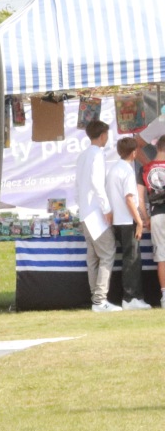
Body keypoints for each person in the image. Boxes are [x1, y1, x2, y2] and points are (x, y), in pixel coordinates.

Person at [74, 119, 117, 312]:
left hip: (85, 212)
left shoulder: (83, 155)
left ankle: (96, 299)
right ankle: (100, 300)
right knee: (107, 253)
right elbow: (97, 183)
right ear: (102, 135)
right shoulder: (97, 154)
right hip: (95, 213)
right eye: (106, 134)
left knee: (93, 258)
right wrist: (107, 208)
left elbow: (78, 186)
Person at [110, 136, 150, 309]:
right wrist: (140, 221)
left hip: (118, 220)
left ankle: (131, 297)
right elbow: (129, 200)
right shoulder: (126, 171)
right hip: (127, 220)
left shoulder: (113, 169)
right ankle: (131, 298)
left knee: (129, 258)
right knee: (132, 260)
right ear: (134, 152)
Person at [144, 144, 165, 296]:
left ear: (157, 147)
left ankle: (164, 296)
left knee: (162, 257)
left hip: (156, 214)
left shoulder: (146, 168)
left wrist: (146, 218)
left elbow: (139, 197)